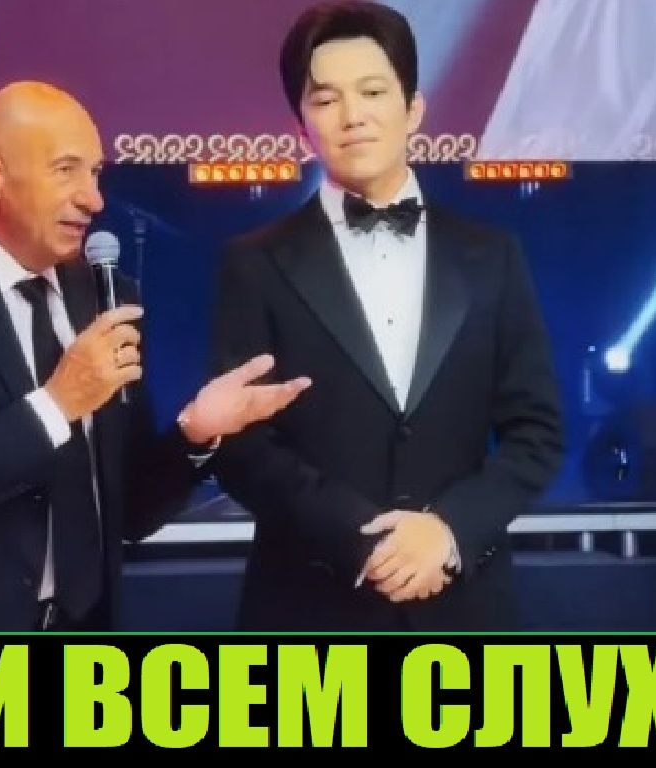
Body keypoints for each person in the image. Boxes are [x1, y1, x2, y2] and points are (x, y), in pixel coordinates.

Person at [0, 80, 309, 631]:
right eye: (66, 170)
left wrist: (194, 432)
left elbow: (129, 512)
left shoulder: (106, 295)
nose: (94, 199)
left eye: (96, 173)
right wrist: (57, 406)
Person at [208, 1, 564, 631]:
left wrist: (448, 531)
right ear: (300, 126)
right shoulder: (254, 264)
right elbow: (239, 444)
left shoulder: (492, 256)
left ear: (413, 109)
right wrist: (359, 539)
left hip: (463, 609)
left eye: (373, 91)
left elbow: (536, 433)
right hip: (307, 615)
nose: (353, 116)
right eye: (326, 99)